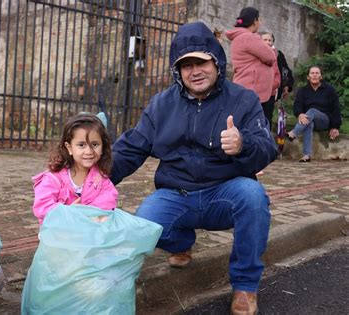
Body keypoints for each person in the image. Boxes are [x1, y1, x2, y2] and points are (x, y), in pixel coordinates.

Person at [111, 22, 277, 315]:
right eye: (186, 65)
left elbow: (267, 148)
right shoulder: (161, 105)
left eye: (200, 61)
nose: (194, 71)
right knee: (147, 222)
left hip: (225, 192)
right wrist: (91, 177)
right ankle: (183, 242)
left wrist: (242, 145)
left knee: (253, 197)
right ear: (178, 71)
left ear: (216, 60)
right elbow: (132, 147)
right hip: (177, 193)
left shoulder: (244, 100)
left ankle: (245, 286)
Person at [32, 113, 118, 225]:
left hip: (88, 231)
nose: (89, 151)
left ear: (103, 147)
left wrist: (87, 214)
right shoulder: (53, 178)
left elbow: (108, 201)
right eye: (81, 145)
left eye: (95, 144)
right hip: (58, 234)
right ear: (69, 148)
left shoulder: (101, 179)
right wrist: (68, 212)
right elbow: (42, 206)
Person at [225, 7, 278, 128]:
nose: (260, 22)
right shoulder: (249, 37)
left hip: (245, 87)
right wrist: (272, 51)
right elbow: (270, 57)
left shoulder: (239, 37)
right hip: (252, 89)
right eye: (259, 19)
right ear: (255, 21)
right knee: (253, 126)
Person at [286, 65, 341, 162]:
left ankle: (294, 133)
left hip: (325, 120)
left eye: (317, 73)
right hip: (309, 119)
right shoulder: (303, 91)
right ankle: (307, 155)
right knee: (309, 123)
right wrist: (300, 114)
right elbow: (297, 105)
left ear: (321, 76)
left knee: (312, 110)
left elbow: (336, 108)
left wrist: (335, 126)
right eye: (312, 73)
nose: (315, 75)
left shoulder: (329, 90)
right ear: (308, 77)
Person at [260, 31, 281, 130]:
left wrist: (272, 85)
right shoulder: (255, 55)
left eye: (270, 40)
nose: (268, 42)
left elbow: (277, 75)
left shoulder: (274, 56)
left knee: (267, 121)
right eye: (265, 40)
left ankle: (265, 144)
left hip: (270, 94)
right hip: (257, 94)